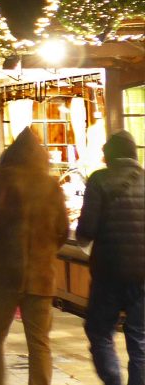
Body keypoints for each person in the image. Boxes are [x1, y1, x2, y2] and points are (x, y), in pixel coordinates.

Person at [0, 128, 69, 385]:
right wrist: (45, 252)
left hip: (2, 275)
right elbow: (62, 230)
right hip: (41, 277)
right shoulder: (51, 186)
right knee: (39, 344)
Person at [76, 129, 144, 385]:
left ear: (109, 156)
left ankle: (113, 380)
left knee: (99, 331)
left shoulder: (99, 180)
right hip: (143, 274)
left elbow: (86, 230)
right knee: (139, 337)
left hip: (109, 271)